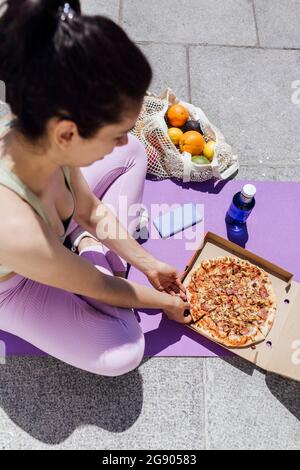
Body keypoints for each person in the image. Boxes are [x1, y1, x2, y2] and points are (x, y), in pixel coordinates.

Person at [0, 0, 191, 377]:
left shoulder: (44, 136)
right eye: (115, 134)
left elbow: (90, 211)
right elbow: (97, 285)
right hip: (14, 284)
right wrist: (164, 304)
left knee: (136, 155)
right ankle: (87, 250)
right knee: (124, 351)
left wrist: (149, 265)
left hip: (55, 237)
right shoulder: (12, 225)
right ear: (68, 134)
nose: (121, 142)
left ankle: (86, 245)